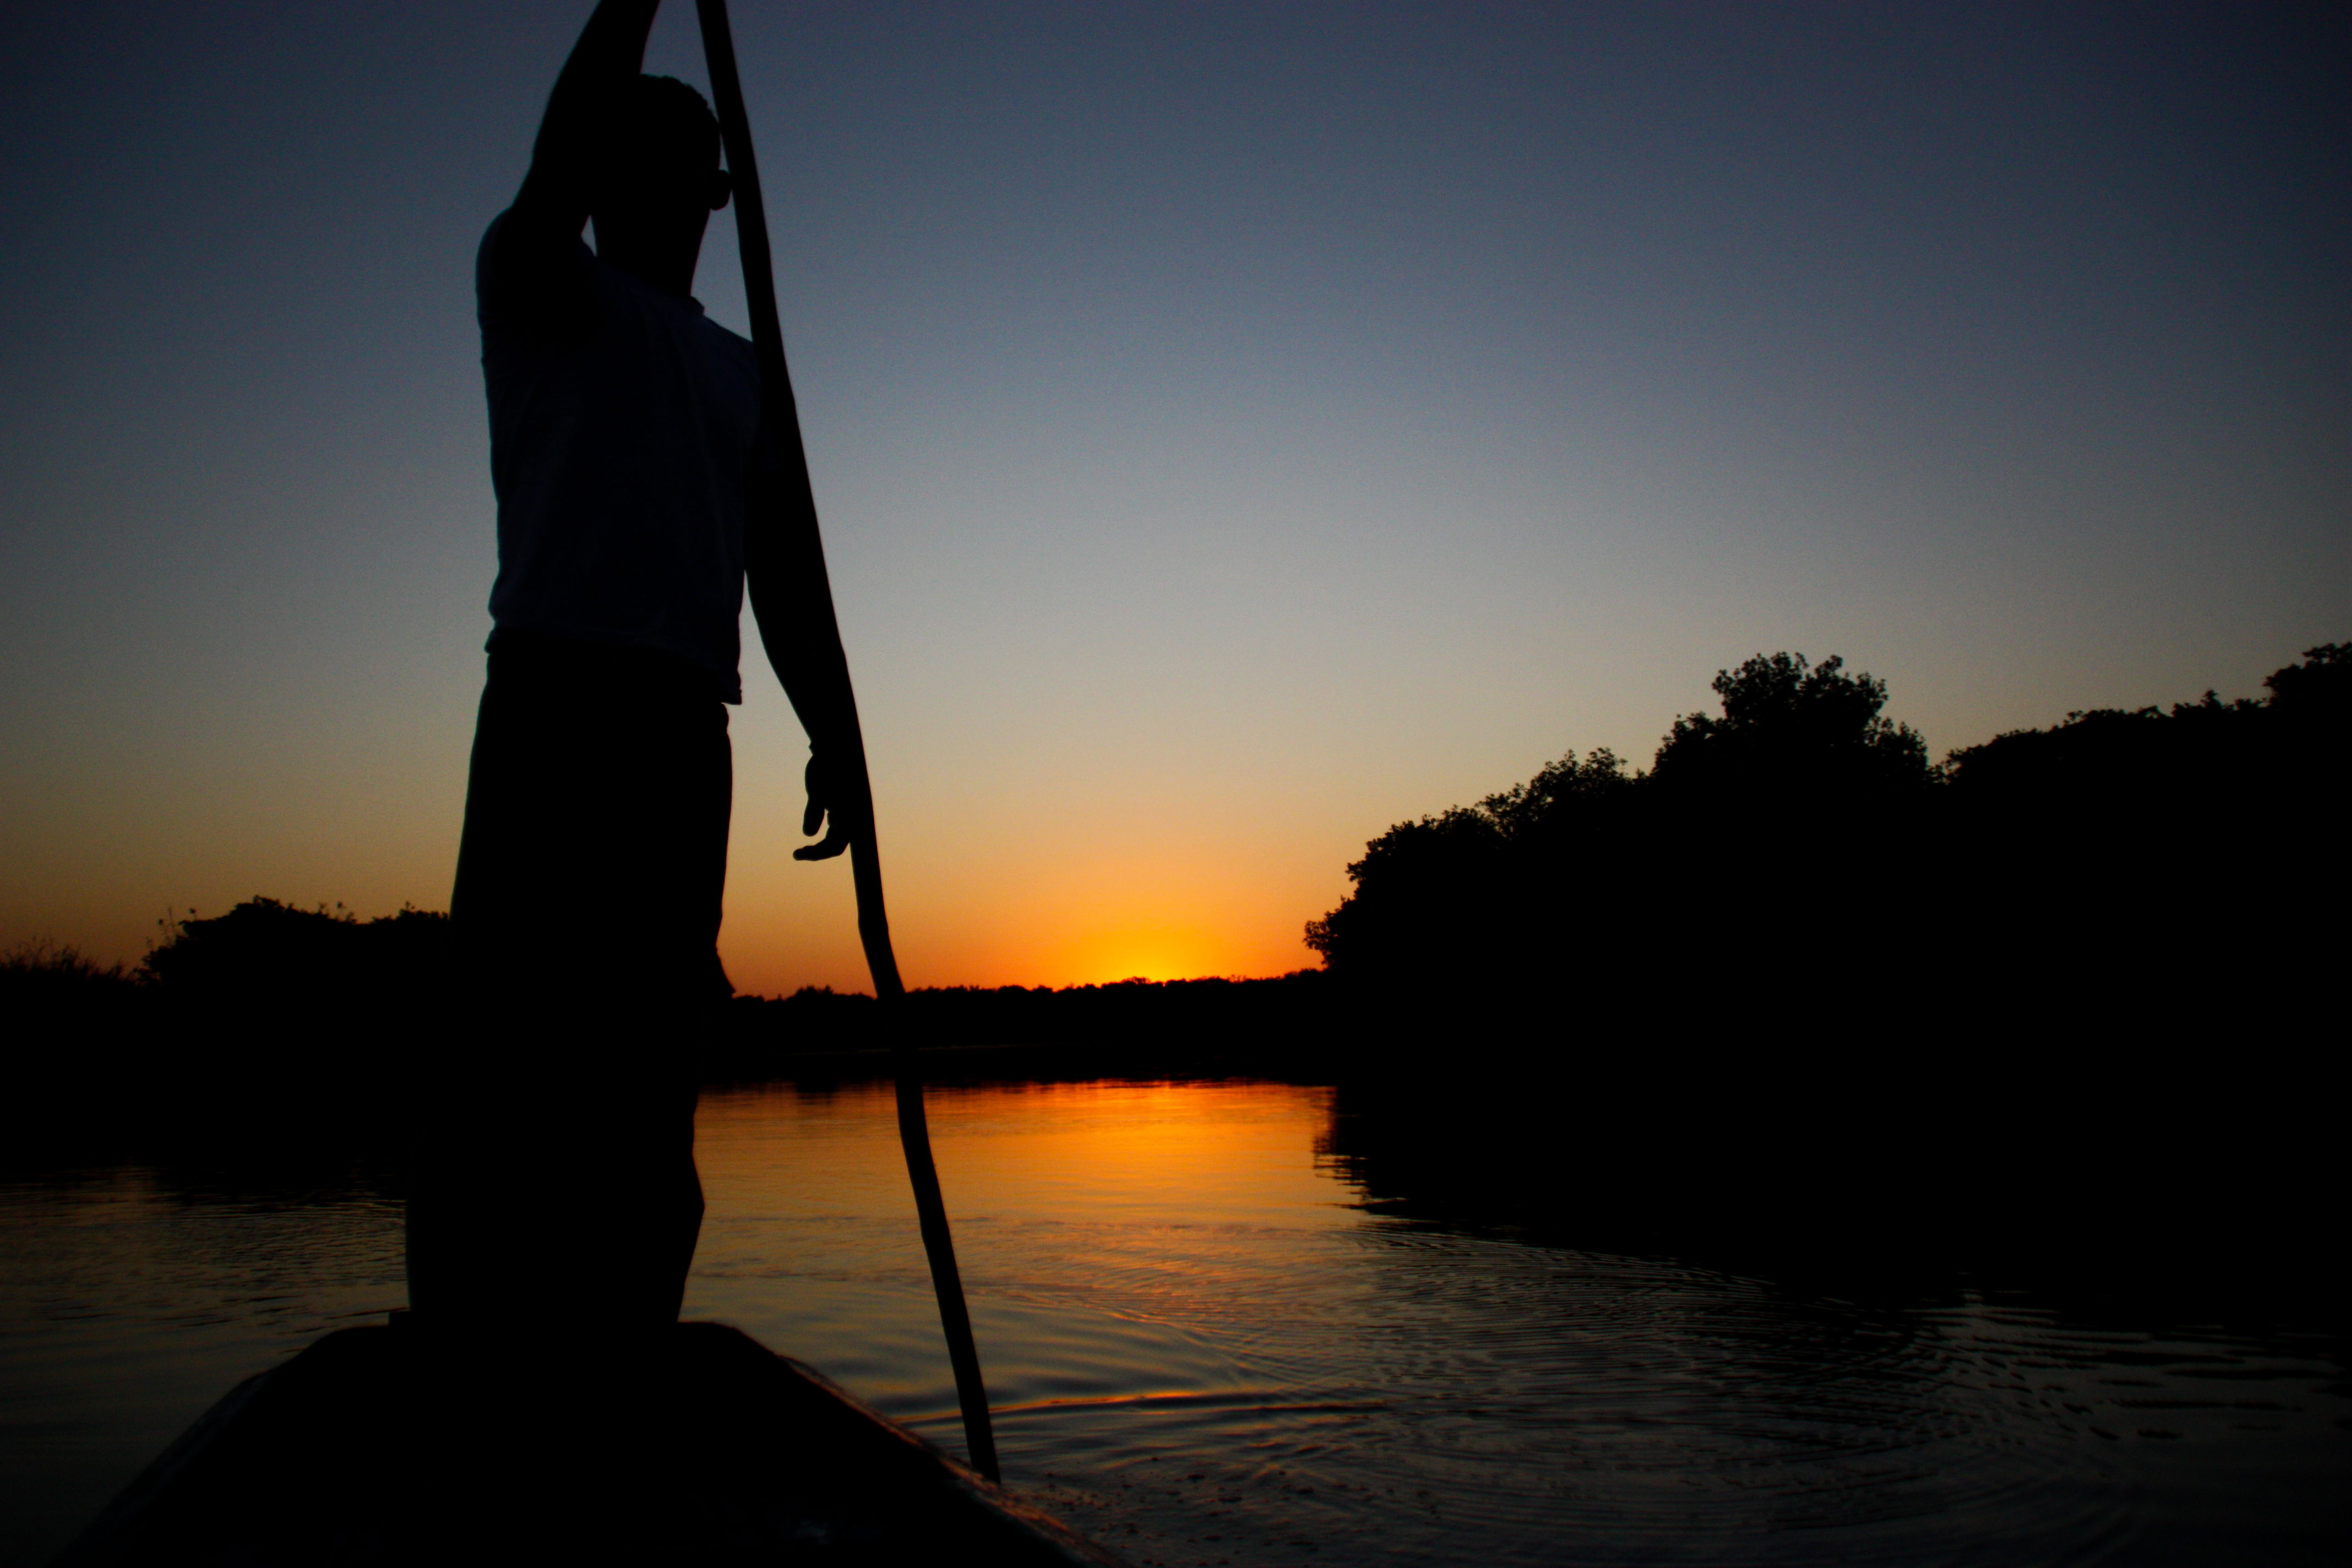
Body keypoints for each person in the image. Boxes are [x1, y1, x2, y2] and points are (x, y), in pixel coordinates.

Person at [406, 0, 856, 1342]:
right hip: (553, 700)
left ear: (720, 197)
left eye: (696, 171)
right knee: (503, 1051)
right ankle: (465, 1348)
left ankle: (628, 1346)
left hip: (679, 729)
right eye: (641, 162)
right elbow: (553, 164)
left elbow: (783, 569)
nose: (676, 193)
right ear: (605, 177)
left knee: (652, 1065)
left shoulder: (738, 369)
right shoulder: (537, 284)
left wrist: (836, 734)